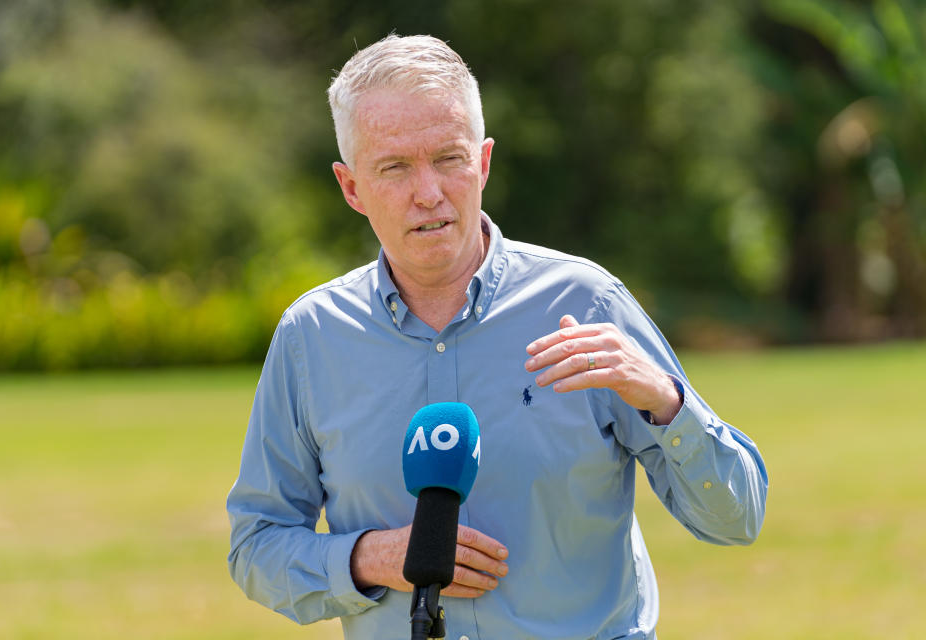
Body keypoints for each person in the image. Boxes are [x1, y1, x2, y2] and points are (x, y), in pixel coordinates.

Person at [227, 34, 768, 640]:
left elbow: (736, 518)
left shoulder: (587, 304)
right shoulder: (312, 338)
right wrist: (368, 559)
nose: (428, 192)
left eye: (449, 158)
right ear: (351, 187)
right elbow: (257, 546)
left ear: (483, 162)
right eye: (395, 167)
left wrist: (666, 401)